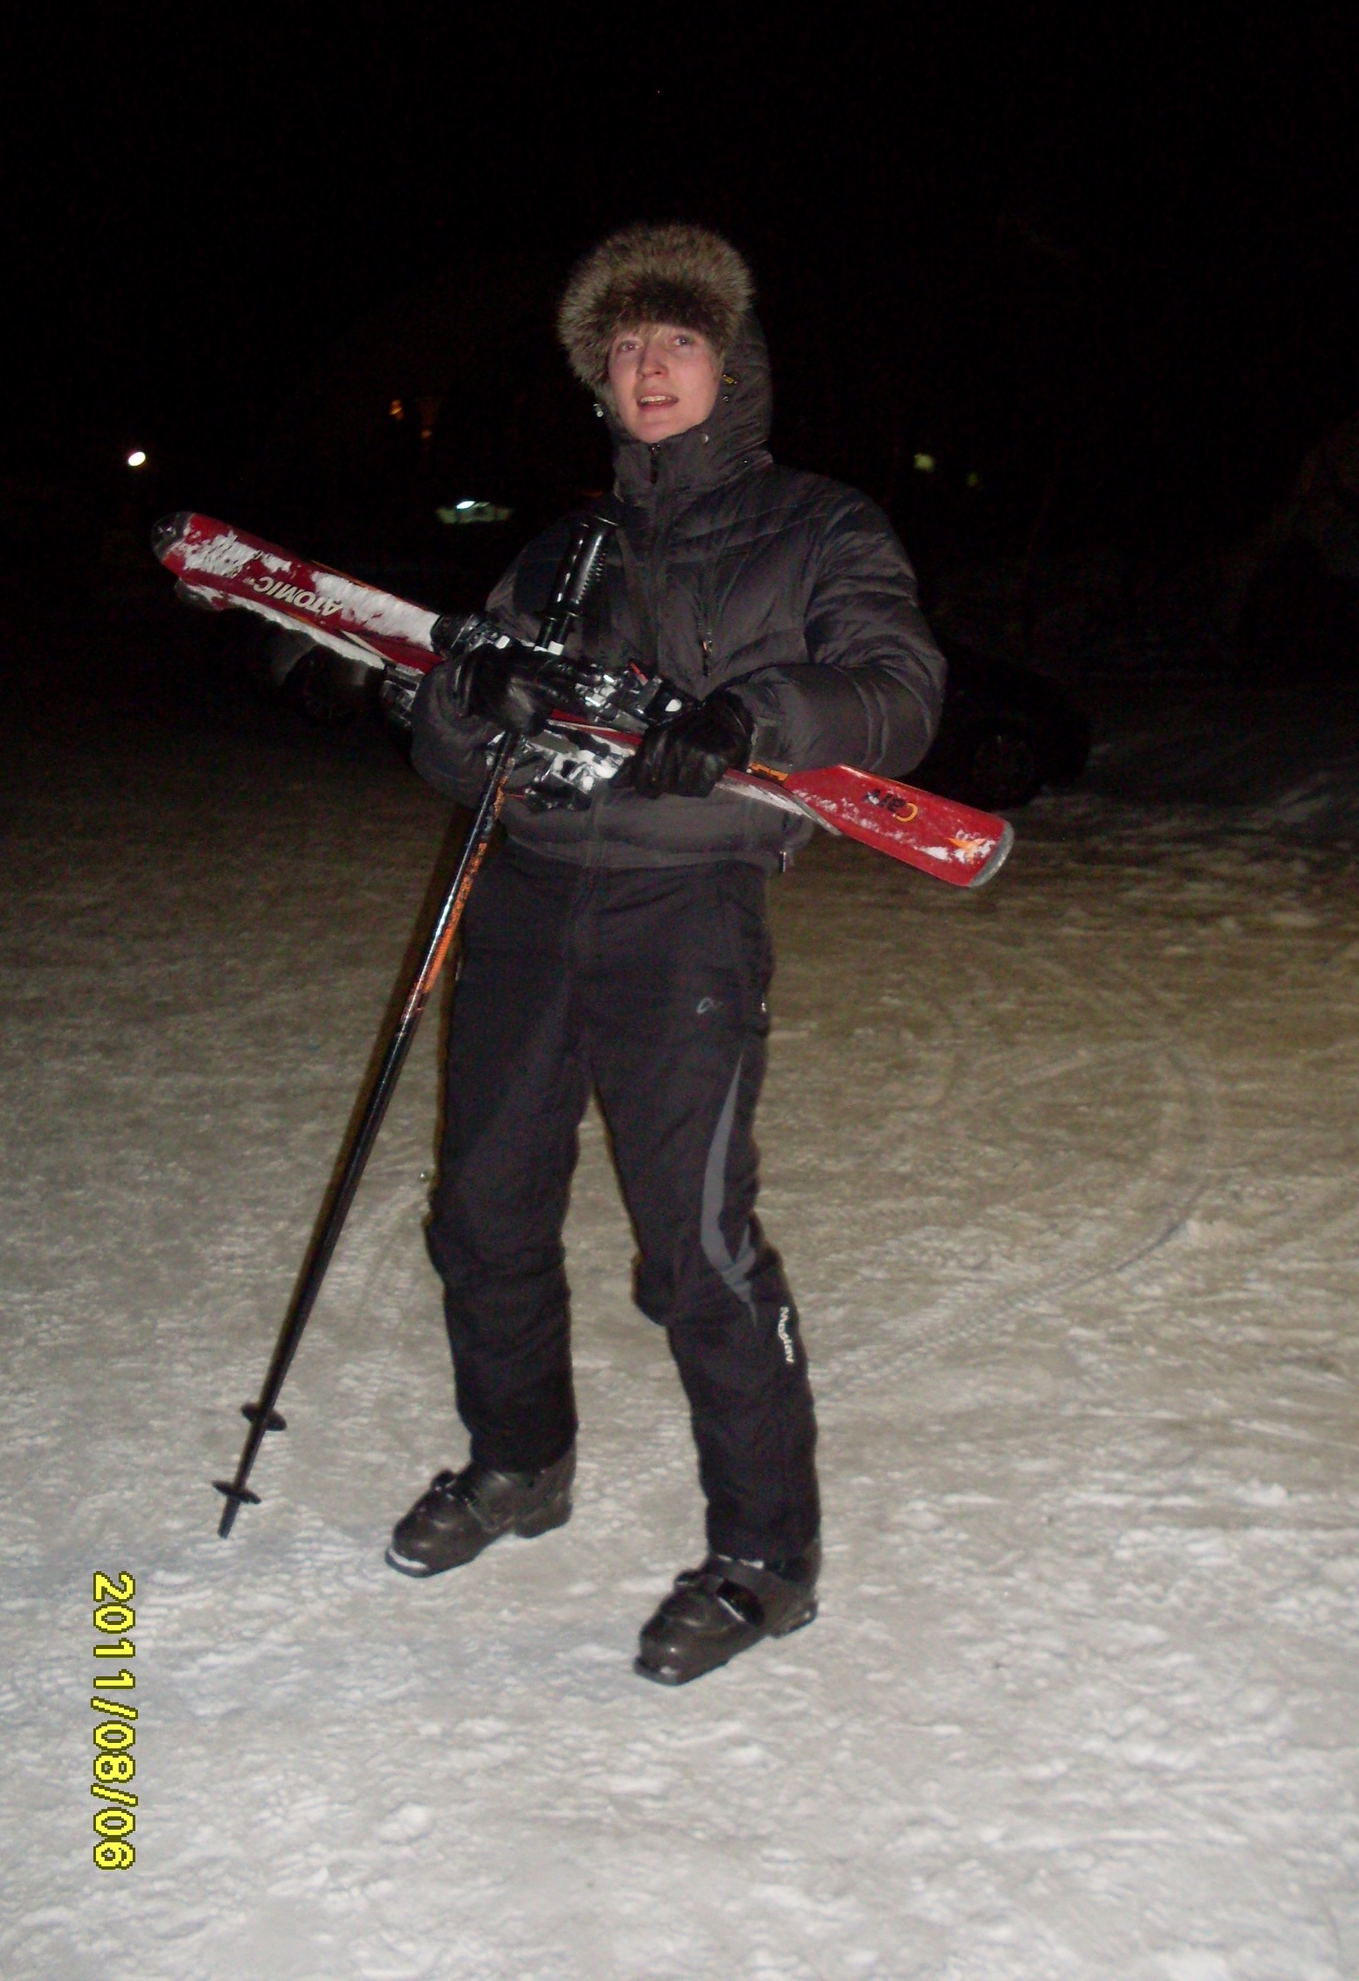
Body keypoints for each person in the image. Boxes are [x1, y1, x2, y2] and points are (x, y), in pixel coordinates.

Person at [391, 221, 945, 1685]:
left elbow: (898, 691)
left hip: (685, 912)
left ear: (731, 364)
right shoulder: (564, 548)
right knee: (483, 1215)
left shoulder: (819, 525)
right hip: (527, 898)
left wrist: (758, 718)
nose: (648, 370)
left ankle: (766, 1560)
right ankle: (519, 1462)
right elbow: (450, 747)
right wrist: (468, 703)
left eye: (676, 342)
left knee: (695, 1250)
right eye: (625, 348)